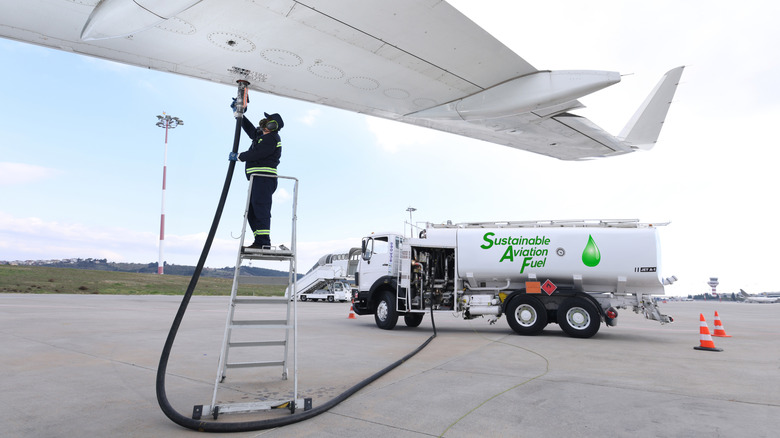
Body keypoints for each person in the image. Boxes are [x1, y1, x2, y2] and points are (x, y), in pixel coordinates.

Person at [229, 105, 284, 249]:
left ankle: (264, 242)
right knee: (252, 212)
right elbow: (250, 130)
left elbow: (258, 153)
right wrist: (239, 115)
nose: (264, 122)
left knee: (261, 208)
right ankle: (259, 240)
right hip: (257, 179)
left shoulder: (272, 138)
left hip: (264, 178)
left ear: (273, 125)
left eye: (267, 120)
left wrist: (240, 157)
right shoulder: (262, 137)